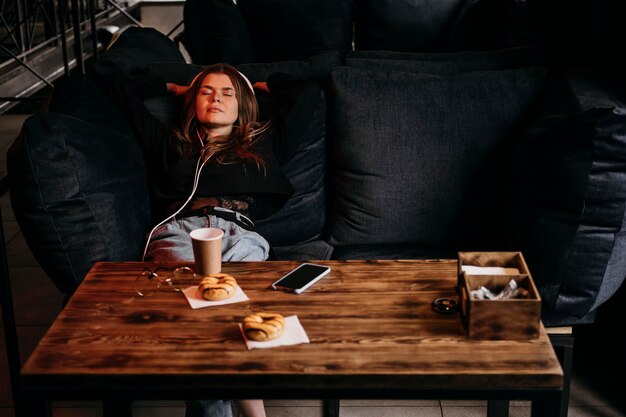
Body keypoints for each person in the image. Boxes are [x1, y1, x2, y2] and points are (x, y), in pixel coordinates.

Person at [105, 63, 318, 417]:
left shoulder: (264, 143)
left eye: (228, 93)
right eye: (206, 92)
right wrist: (174, 87)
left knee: (234, 309)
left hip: (241, 234)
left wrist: (261, 83)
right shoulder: (170, 144)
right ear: (193, 102)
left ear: (243, 105)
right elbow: (118, 86)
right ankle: (253, 411)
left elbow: (307, 93)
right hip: (179, 232)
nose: (216, 98)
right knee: (204, 312)